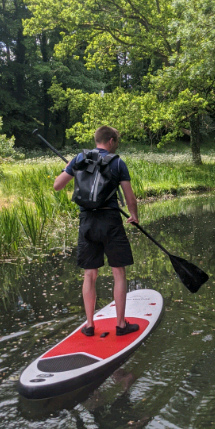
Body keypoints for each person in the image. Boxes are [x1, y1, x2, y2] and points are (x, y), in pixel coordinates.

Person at [53, 126, 140, 336]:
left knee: (89, 274)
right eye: (116, 142)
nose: (115, 146)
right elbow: (130, 197)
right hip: (110, 220)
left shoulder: (79, 159)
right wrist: (133, 215)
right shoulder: (117, 162)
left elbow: (57, 185)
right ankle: (120, 325)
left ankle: (90, 325)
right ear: (110, 141)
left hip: (87, 221)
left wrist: (70, 167)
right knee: (118, 272)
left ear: (96, 140)